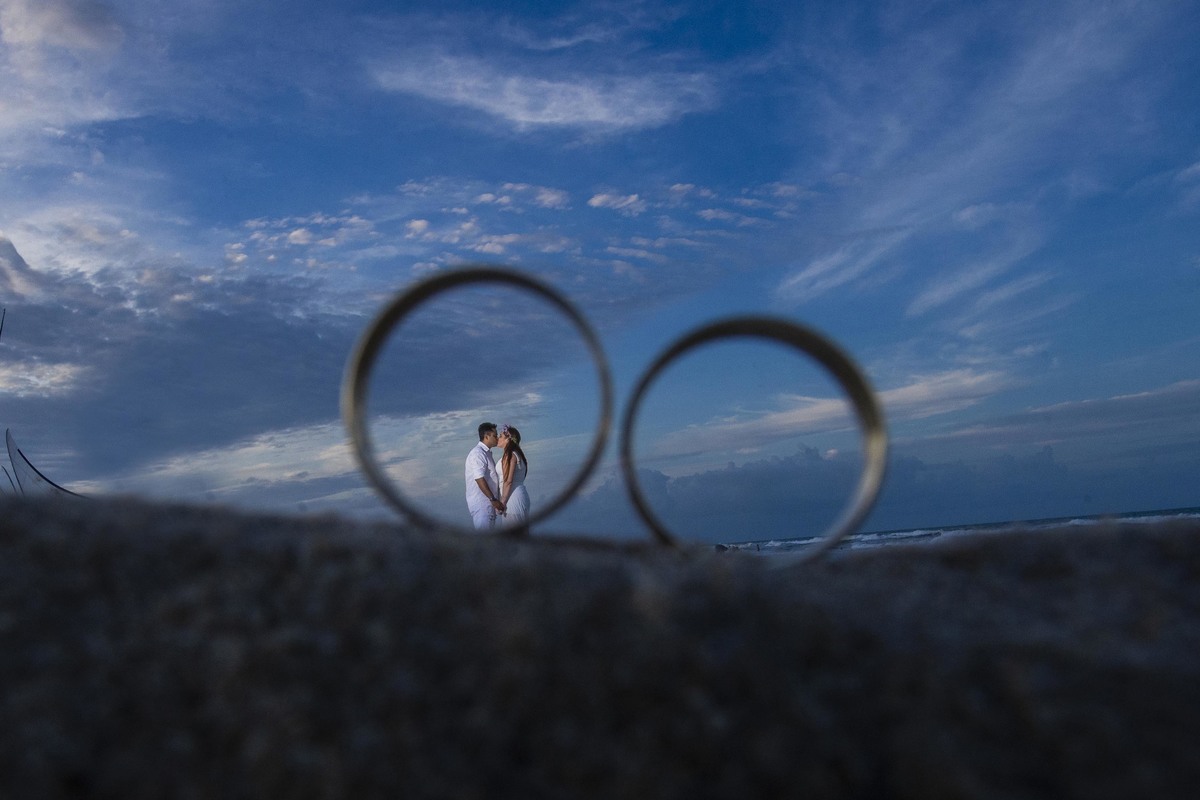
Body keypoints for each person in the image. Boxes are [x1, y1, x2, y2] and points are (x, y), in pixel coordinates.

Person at [464, 422, 504, 530]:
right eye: (495, 436)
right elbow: (479, 478)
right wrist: (493, 499)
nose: (497, 438)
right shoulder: (478, 453)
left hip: (487, 504)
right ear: (486, 436)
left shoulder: (486, 453)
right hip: (482, 504)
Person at [496, 424, 530, 531]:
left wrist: (502, 503)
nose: (498, 438)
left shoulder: (509, 455)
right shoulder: (518, 454)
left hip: (512, 500)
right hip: (520, 496)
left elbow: (508, 481)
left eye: (501, 436)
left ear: (508, 439)